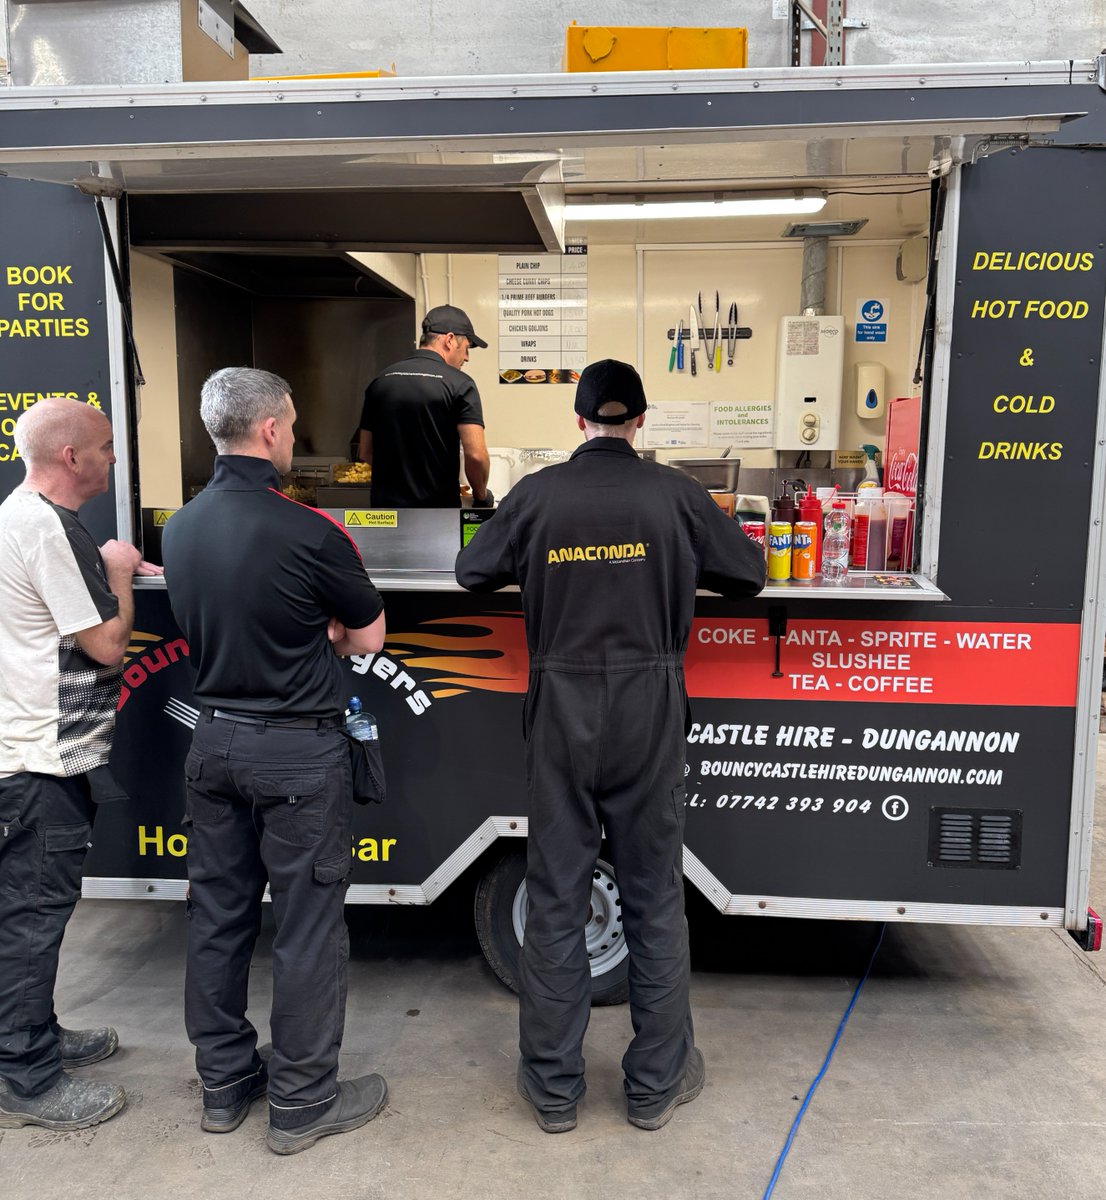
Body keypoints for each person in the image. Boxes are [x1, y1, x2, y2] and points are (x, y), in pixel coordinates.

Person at [455, 359, 765, 1134]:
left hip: (560, 706)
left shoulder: (537, 495)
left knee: (557, 896)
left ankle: (555, 1091)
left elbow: (470, 572)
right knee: (653, 896)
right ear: (641, 421)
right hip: (649, 706)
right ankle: (655, 1086)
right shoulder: (677, 495)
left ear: (579, 419)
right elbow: (749, 576)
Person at [161, 367, 388, 1155]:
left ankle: (224, 1086)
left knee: (218, 919)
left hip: (213, 741)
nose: (291, 435)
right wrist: (314, 633)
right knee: (306, 928)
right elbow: (367, 637)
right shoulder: (310, 532)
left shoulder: (181, 528)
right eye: (289, 424)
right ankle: (300, 1102)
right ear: (269, 431)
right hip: (296, 752)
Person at [0, 397, 161, 1131]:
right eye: (104, 446)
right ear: (71, 457)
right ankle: (28, 1079)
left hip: (30, 750)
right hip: (42, 762)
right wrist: (121, 572)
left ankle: (34, 1036)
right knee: (31, 921)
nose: (113, 457)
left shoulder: (25, 518)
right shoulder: (46, 528)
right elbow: (104, 647)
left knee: (30, 916)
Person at [358, 303, 493, 508]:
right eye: (466, 348)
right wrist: (481, 496)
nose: (466, 357)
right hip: (437, 515)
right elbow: (475, 455)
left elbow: (365, 452)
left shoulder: (381, 381)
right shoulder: (461, 384)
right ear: (449, 340)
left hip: (385, 514)